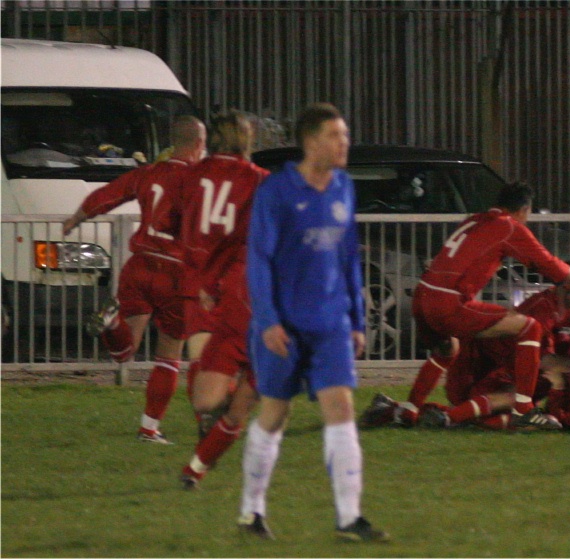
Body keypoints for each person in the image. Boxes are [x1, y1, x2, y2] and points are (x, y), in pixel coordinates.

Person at [240, 103, 388, 542]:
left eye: (345, 135)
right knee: (274, 413)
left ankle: (348, 517)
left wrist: (357, 319)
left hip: (330, 325)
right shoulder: (276, 192)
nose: (344, 143)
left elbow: (347, 257)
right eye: (335, 135)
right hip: (283, 326)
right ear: (310, 142)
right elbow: (259, 260)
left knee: (341, 410)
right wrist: (267, 319)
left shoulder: (343, 186)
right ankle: (251, 511)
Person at [405, 186, 570, 428]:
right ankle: (524, 409)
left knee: (447, 348)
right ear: (524, 210)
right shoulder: (507, 226)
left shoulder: (474, 220)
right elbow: (548, 263)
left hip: (423, 295)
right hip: (450, 301)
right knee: (529, 327)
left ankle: (407, 410)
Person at [62, 115, 206, 443]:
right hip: (175, 273)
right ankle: (148, 428)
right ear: (199, 145)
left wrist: (77, 217)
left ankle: (111, 323)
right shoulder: (199, 181)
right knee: (170, 354)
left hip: (139, 266)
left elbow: (112, 193)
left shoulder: (149, 173)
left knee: (124, 352)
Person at [175, 110, 270, 488]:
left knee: (201, 361)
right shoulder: (258, 179)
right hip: (237, 281)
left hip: (197, 278)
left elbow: (174, 220)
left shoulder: (191, 176)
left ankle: (210, 422)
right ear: (245, 140)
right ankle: (225, 409)